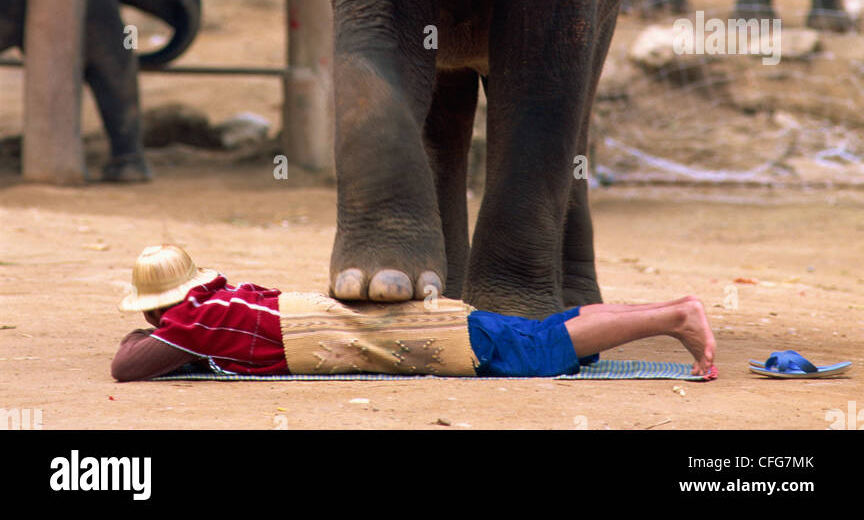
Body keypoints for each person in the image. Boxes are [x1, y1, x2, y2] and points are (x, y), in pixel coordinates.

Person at [112, 244, 717, 382]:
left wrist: (151, 330)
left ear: (163, 306)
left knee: (538, 351)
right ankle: (669, 311)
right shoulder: (230, 297)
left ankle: (674, 317)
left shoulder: (197, 322)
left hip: (434, 337)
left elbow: (128, 367)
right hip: (427, 324)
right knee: (543, 333)